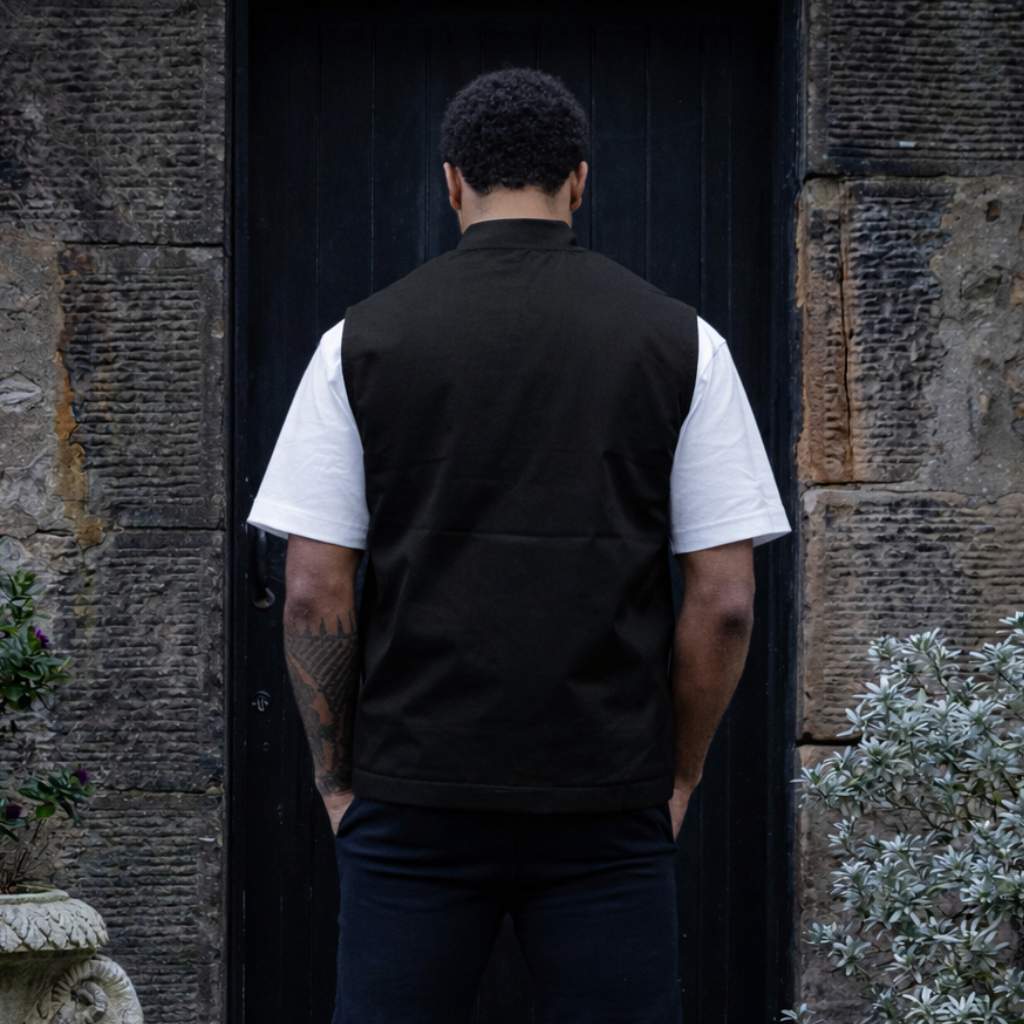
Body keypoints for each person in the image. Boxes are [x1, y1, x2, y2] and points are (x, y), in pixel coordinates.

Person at [246, 66, 791, 1024]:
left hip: (412, 797)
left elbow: (310, 591)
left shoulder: (358, 343)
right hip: (605, 802)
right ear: (580, 181)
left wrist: (339, 784)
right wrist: (679, 774)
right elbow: (727, 599)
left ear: (451, 181)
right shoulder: (683, 342)